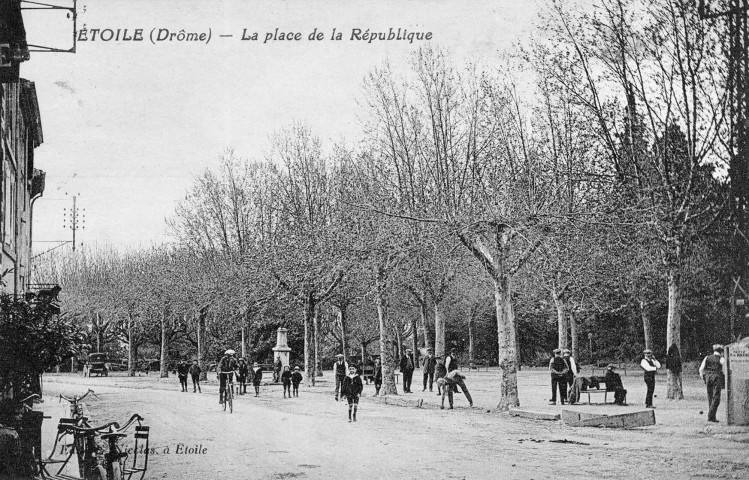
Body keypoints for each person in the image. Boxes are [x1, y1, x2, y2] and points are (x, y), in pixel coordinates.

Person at [699, 344, 725, 423]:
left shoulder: (707, 357)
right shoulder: (721, 359)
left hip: (708, 377)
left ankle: (712, 417)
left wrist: (703, 377)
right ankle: (711, 415)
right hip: (717, 377)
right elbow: (724, 370)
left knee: (710, 396)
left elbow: (701, 369)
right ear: (721, 352)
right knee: (716, 397)